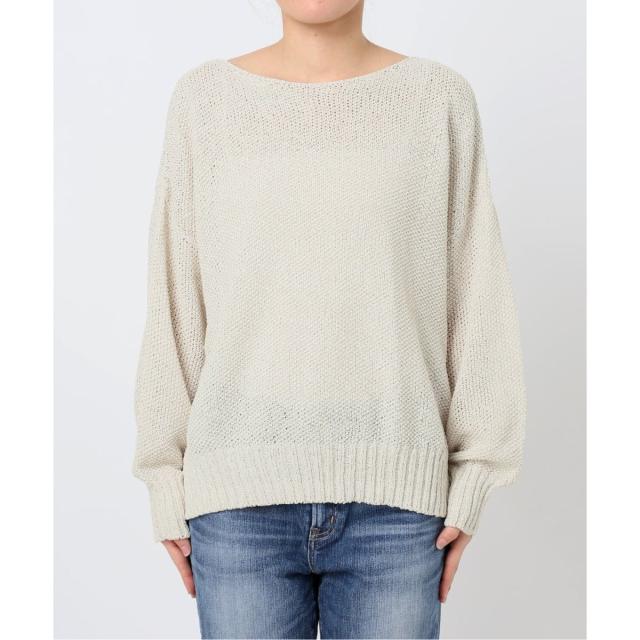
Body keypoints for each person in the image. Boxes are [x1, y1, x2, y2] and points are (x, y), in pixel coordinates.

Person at [132, 1, 527, 638]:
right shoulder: (205, 102)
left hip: (397, 504)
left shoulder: (438, 101)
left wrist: (476, 473)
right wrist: (163, 478)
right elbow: (176, 293)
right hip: (236, 501)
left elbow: (475, 292)